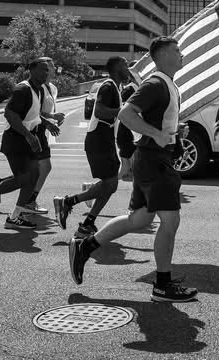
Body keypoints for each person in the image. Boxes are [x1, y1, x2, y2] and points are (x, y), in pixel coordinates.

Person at [69, 36, 197, 303]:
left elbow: (156, 122)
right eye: (176, 50)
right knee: (170, 221)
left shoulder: (168, 84)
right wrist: (156, 134)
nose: (181, 53)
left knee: (139, 220)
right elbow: (126, 114)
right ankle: (162, 285)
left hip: (151, 159)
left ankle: (85, 246)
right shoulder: (155, 83)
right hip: (154, 161)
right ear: (161, 56)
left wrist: (173, 131)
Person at [0, 57, 63, 227]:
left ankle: (15, 217)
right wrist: (28, 135)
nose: (45, 73)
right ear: (32, 70)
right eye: (42, 69)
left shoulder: (39, 90)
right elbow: (10, 114)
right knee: (23, 179)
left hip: (30, 137)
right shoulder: (22, 89)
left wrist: (47, 124)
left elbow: (34, 114)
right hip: (16, 139)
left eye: (47, 70)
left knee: (34, 176)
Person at [52, 56, 126, 238]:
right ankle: (68, 202)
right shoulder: (108, 86)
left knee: (111, 185)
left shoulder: (116, 87)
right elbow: (100, 111)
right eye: (125, 65)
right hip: (98, 139)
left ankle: (87, 222)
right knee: (110, 183)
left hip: (105, 139)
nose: (128, 68)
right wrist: (125, 111)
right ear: (117, 68)